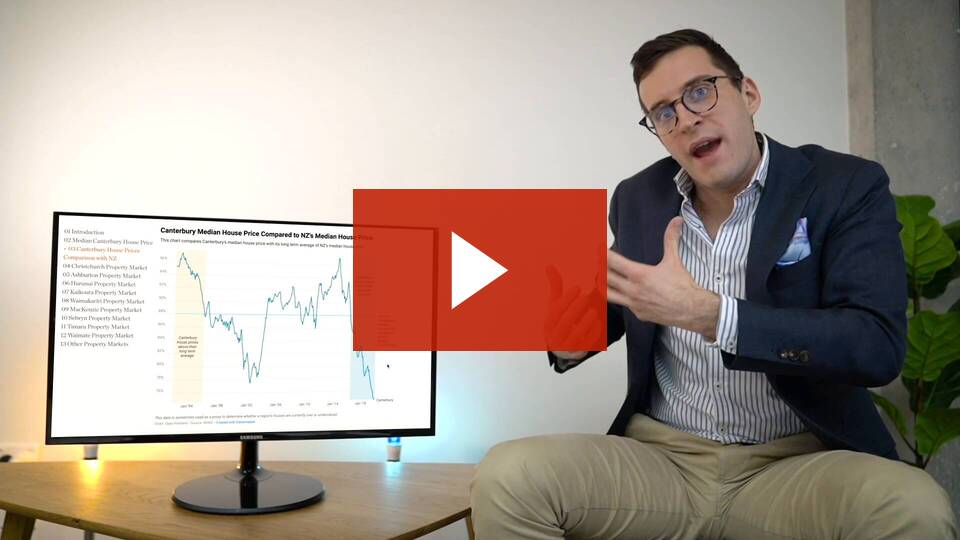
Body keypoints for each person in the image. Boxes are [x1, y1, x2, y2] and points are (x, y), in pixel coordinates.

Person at [470, 28, 958, 539]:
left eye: (700, 92)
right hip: (665, 462)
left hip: (798, 462)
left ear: (748, 94)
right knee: (509, 477)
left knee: (913, 507)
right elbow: (625, 300)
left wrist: (712, 315)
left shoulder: (845, 185)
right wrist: (571, 340)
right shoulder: (639, 198)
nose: (685, 119)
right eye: (663, 113)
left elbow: (875, 346)